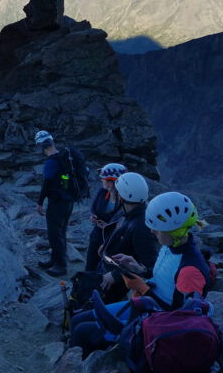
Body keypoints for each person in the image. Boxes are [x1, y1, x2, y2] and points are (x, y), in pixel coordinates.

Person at [69, 191, 210, 356]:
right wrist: (138, 268)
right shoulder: (171, 246)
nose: (152, 232)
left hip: (156, 324)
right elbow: (161, 279)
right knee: (77, 319)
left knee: (81, 331)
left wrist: (143, 288)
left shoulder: (189, 271)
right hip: (144, 306)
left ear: (173, 230)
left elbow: (180, 317)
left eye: (156, 230)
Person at [96, 172, 160, 303]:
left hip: (113, 281)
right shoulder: (129, 212)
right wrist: (105, 246)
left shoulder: (142, 227)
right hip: (107, 270)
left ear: (122, 196)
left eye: (118, 191)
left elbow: (148, 266)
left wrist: (117, 274)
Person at [35, 130, 85, 277]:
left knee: (54, 233)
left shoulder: (51, 162)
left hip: (57, 202)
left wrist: (39, 202)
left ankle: (60, 266)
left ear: (40, 146)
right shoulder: (65, 158)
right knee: (61, 231)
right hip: (68, 201)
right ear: (52, 142)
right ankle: (55, 259)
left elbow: (47, 182)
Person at [85, 163, 125, 271]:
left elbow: (126, 223)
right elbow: (94, 207)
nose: (101, 180)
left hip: (112, 240)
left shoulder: (125, 200)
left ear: (111, 182)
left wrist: (109, 227)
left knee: (106, 267)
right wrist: (93, 216)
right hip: (97, 235)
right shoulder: (103, 192)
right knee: (91, 264)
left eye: (103, 178)